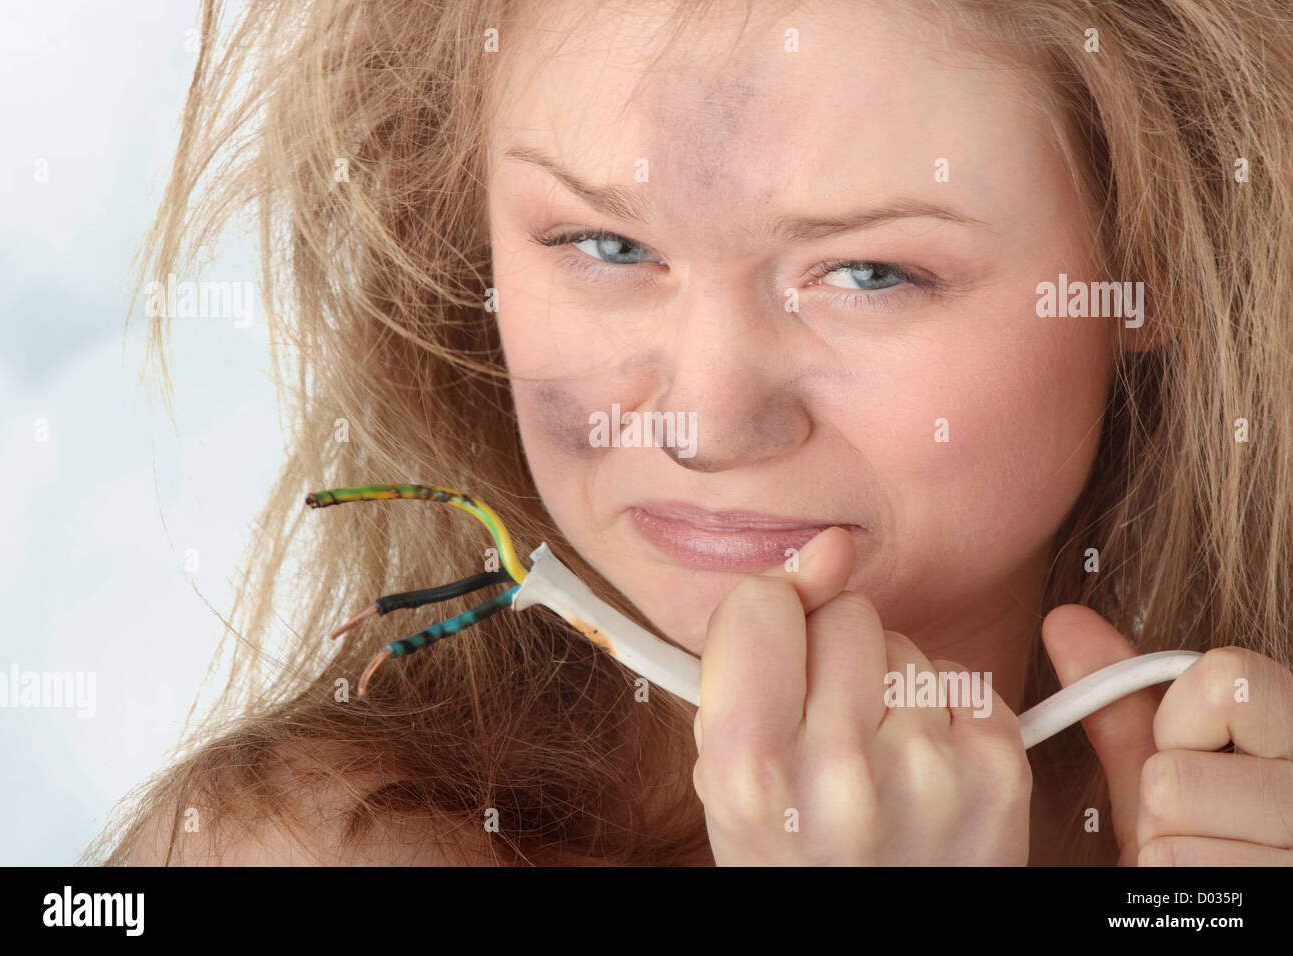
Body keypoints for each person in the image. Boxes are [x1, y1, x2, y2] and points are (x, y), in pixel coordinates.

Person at [88, 0, 1293, 866]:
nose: (704, 424)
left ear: (1149, 258)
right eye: (604, 248)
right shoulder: (308, 850)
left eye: (869, 271)